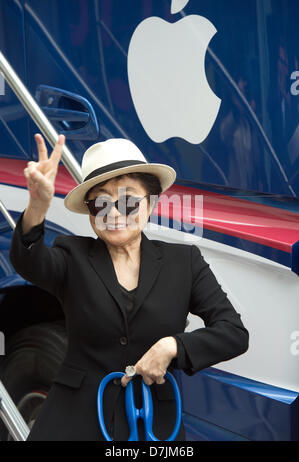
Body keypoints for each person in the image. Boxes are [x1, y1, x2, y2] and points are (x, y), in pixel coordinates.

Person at [9, 133, 249, 441]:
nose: (114, 214)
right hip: (74, 420)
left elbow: (233, 333)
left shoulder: (184, 261)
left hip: (154, 425)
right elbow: (29, 261)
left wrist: (173, 346)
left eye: (127, 201)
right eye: (101, 203)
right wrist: (37, 208)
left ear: (150, 203)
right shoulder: (72, 254)